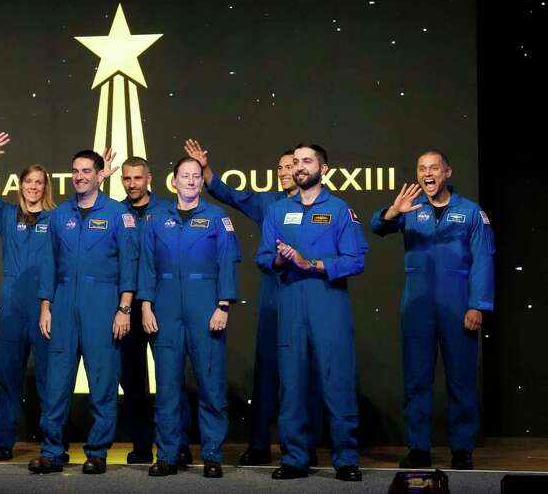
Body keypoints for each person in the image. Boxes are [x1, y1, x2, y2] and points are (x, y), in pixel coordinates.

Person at [184, 139, 322, 466]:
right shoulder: (270, 204)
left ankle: (304, 447)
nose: (286, 172)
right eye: (281, 168)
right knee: (266, 375)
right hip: (275, 299)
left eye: (291, 166)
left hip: (309, 297)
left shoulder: (321, 206)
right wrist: (205, 169)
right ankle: (259, 444)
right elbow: (231, 195)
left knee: (305, 375)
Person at [370, 151, 494, 471]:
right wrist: (393, 211)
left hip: (458, 306)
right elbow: (376, 227)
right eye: (422, 168)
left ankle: (462, 449)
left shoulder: (470, 212)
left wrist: (477, 305)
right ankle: (419, 448)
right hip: (417, 307)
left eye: (434, 168)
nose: (427, 173)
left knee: (461, 381)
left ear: (447, 172)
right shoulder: (411, 208)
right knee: (416, 380)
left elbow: (483, 260)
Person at [256, 144, 367, 482]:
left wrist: (312, 264)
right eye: (296, 162)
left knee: (337, 381)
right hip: (289, 301)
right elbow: (263, 258)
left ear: (324, 169)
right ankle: (294, 457)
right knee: (292, 383)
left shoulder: (338, 210)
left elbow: (355, 259)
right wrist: (282, 259)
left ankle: (346, 458)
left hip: (327, 300)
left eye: (307, 162)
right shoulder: (277, 211)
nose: (299, 167)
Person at [28, 149, 139, 475]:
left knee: (103, 382)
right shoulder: (60, 215)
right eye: (75, 170)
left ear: (99, 175)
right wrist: (46, 305)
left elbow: (129, 265)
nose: (79, 176)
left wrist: (124, 308)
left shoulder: (119, 215)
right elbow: (49, 264)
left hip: (103, 303)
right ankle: (51, 451)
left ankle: (98, 452)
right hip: (63, 304)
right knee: (56, 384)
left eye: (86, 171)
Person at [137, 157, 240, 478]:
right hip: (165, 307)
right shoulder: (156, 219)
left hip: (205, 305)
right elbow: (146, 264)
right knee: (167, 386)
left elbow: (228, 262)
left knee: (210, 384)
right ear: (174, 181)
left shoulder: (216, 217)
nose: (192, 181)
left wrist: (223, 305)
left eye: (197, 176)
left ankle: (212, 455)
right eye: (186, 176)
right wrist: (145, 305)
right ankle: (167, 454)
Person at [0, 131, 64, 461]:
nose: (34, 187)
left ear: (45, 187)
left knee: (49, 381)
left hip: (45, 308)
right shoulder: (7, 215)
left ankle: (54, 444)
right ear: (21, 185)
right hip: (12, 308)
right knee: (8, 377)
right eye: (29, 182)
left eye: (40, 182)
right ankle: (3, 442)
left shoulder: (58, 219)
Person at [119, 156, 192, 467]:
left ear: (150, 178)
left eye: (138, 177)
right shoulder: (113, 212)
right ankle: (141, 444)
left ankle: (180, 443)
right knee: (132, 379)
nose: (132, 183)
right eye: (127, 178)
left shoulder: (166, 210)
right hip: (124, 307)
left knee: (170, 378)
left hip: (160, 304)